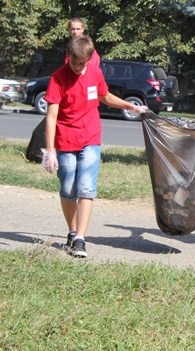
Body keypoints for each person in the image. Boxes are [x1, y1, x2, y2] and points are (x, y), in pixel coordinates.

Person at [43, 35, 148, 258]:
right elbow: (51, 117)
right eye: (74, 62)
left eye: (82, 63)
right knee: (68, 190)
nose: (78, 67)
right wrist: (50, 151)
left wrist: (131, 106)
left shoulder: (94, 72)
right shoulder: (58, 78)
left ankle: (80, 239)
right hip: (66, 140)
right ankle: (71, 232)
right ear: (68, 56)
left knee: (86, 188)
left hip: (90, 138)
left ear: (90, 59)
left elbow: (105, 96)